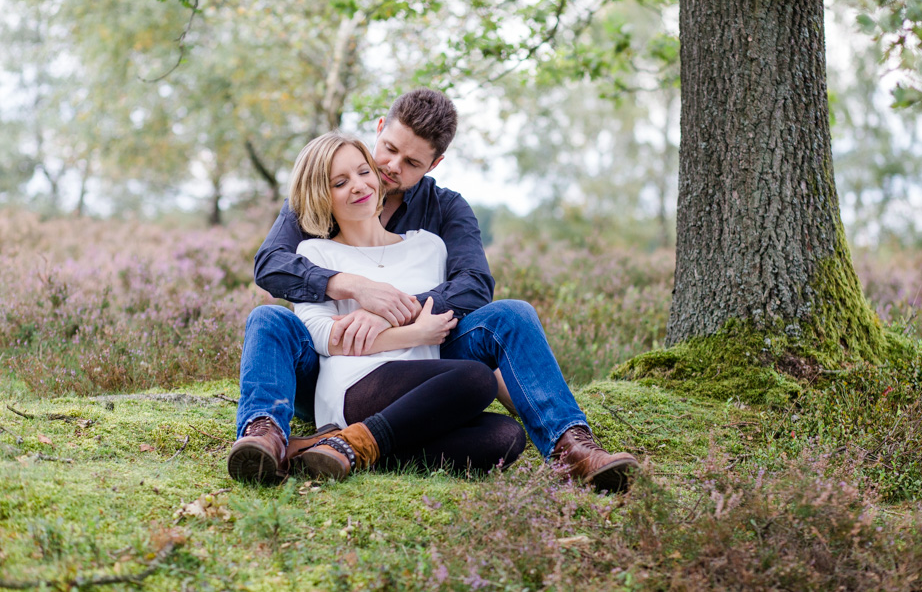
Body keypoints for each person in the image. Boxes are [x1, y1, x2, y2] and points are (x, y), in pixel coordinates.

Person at [229, 88, 638, 491]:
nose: (390, 166)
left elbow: (475, 285)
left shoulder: (443, 215)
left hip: (428, 355)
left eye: (411, 162)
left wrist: (395, 311)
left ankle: (571, 447)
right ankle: (267, 437)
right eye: (388, 148)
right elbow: (270, 266)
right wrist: (352, 286)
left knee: (507, 372)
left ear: (435, 163)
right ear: (380, 127)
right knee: (270, 318)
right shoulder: (323, 191)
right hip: (327, 368)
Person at [228, 132, 524, 480]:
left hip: (422, 385)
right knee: (474, 378)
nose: (357, 186)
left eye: (362, 172)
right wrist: (415, 333)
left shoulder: (430, 247)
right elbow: (325, 337)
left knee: (505, 436)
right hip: (358, 383)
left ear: (376, 174)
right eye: (340, 182)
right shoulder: (315, 253)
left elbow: (463, 300)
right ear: (322, 197)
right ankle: (344, 440)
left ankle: (335, 448)